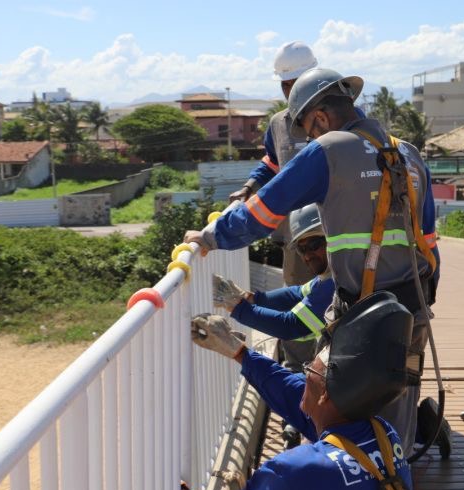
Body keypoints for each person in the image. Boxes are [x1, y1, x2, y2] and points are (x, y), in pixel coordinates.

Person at [185, 68, 441, 457]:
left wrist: (211, 236)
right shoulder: (408, 152)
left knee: (339, 415)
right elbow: (428, 243)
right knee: (397, 416)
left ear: (319, 117)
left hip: (363, 316)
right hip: (413, 308)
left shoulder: (329, 151)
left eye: (307, 128)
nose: (309, 138)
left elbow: (263, 212)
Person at [182, 292, 434, 490]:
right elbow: (297, 398)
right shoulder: (385, 435)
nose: (302, 378)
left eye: (308, 372)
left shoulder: (303, 468)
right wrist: (241, 353)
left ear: (326, 394)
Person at [228, 41, 320, 372]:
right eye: (285, 85)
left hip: (340, 227)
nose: (291, 90)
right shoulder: (279, 124)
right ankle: (298, 374)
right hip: (297, 234)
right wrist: (249, 187)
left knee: (339, 302)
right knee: (298, 300)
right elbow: (271, 162)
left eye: (296, 82)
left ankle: (333, 372)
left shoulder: (335, 118)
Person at [212, 204, 333, 345]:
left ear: (331, 238)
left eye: (314, 245)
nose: (307, 256)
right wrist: (252, 298)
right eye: (302, 249)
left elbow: (290, 326)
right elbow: (298, 293)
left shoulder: (335, 283)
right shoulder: (332, 273)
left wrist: (239, 308)